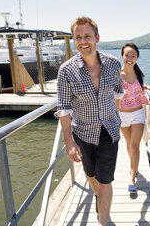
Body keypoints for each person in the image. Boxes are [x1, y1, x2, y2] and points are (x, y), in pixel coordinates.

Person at [55, 16, 124, 226]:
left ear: (97, 37)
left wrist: (116, 118)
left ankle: (103, 220)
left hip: (109, 131)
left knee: (105, 181)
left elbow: (118, 95)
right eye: (78, 37)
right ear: (74, 40)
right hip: (83, 133)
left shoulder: (113, 64)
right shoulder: (66, 71)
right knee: (90, 174)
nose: (83, 41)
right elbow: (64, 110)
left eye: (87, 36)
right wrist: (69, 142)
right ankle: (98, 197)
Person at [118, 42, 150, 194]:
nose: (129, 58)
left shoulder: (137, 72)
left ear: (137, 58)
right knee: (129, 144)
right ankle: (132, 166)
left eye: (133, 56)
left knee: (135, 146)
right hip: (122, 115)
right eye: (127, 55)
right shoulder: (117, 75)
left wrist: (148, 87)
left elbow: (138, 85)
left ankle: (132, 178)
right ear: (122, 56)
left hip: (137, 113)